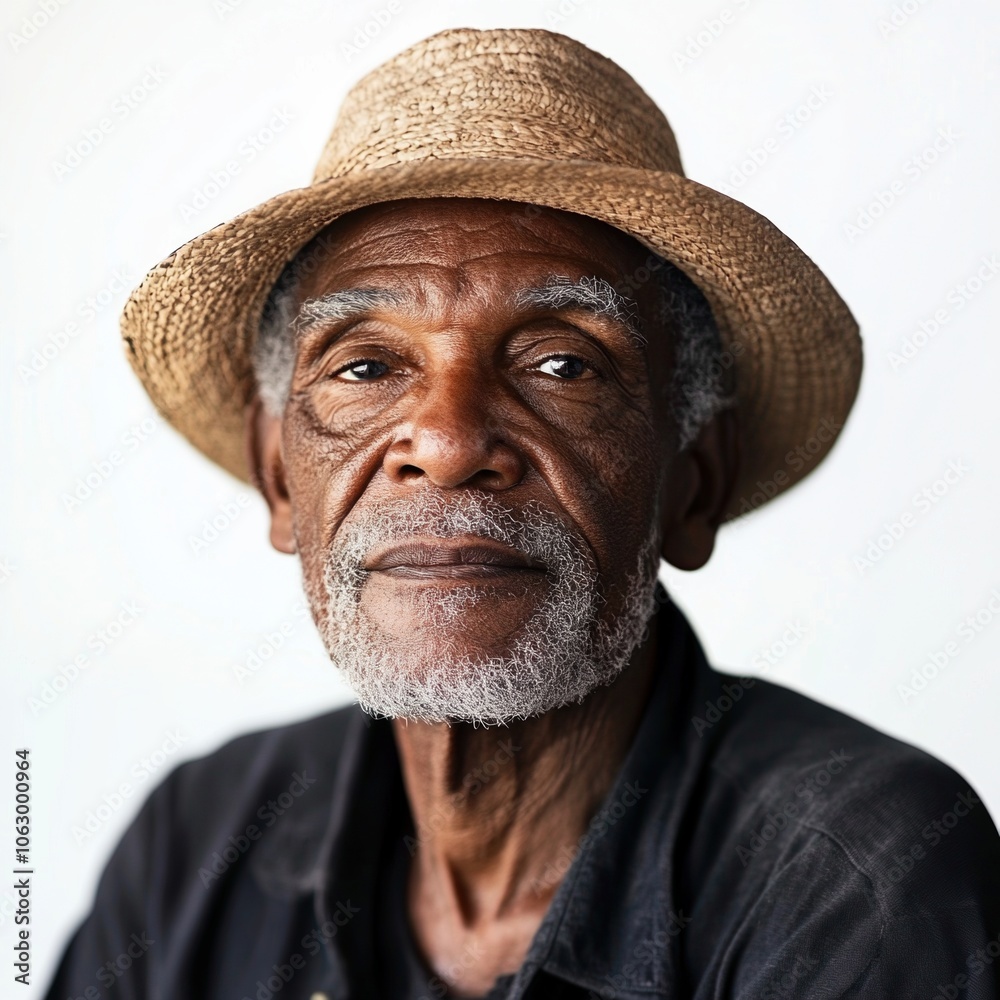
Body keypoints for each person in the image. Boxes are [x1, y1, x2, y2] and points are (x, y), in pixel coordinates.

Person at [47, 27, 1000, 1000]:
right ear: (281, 478)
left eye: (563, 364)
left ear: (691, 482)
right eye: (365, 367)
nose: (448, 442)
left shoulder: (855, 876)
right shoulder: (195, 844)